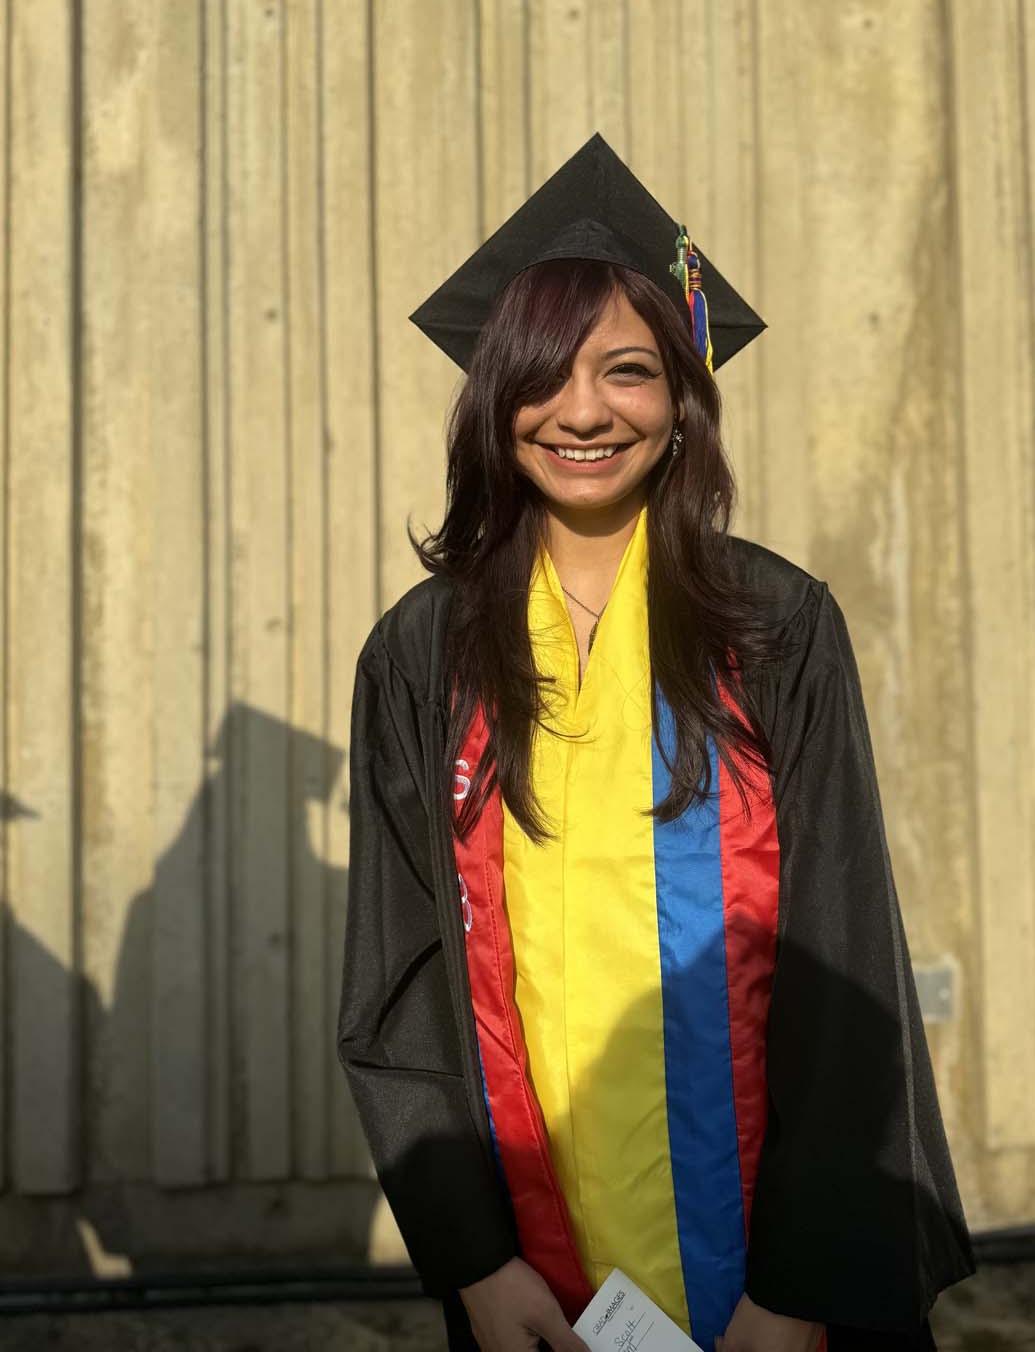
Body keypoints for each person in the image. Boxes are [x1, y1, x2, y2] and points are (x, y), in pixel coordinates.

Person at [337, 133, 975, 1352]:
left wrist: (795, 1293)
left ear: (683, 402)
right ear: (493, 399)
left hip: (769, 1278)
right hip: (535, 1280)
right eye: (544, 373)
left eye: (628, 371)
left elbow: (843, 969)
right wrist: (474, 1264)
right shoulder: (424, 655)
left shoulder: (777, 626)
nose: (583, 410)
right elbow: (397, 979)